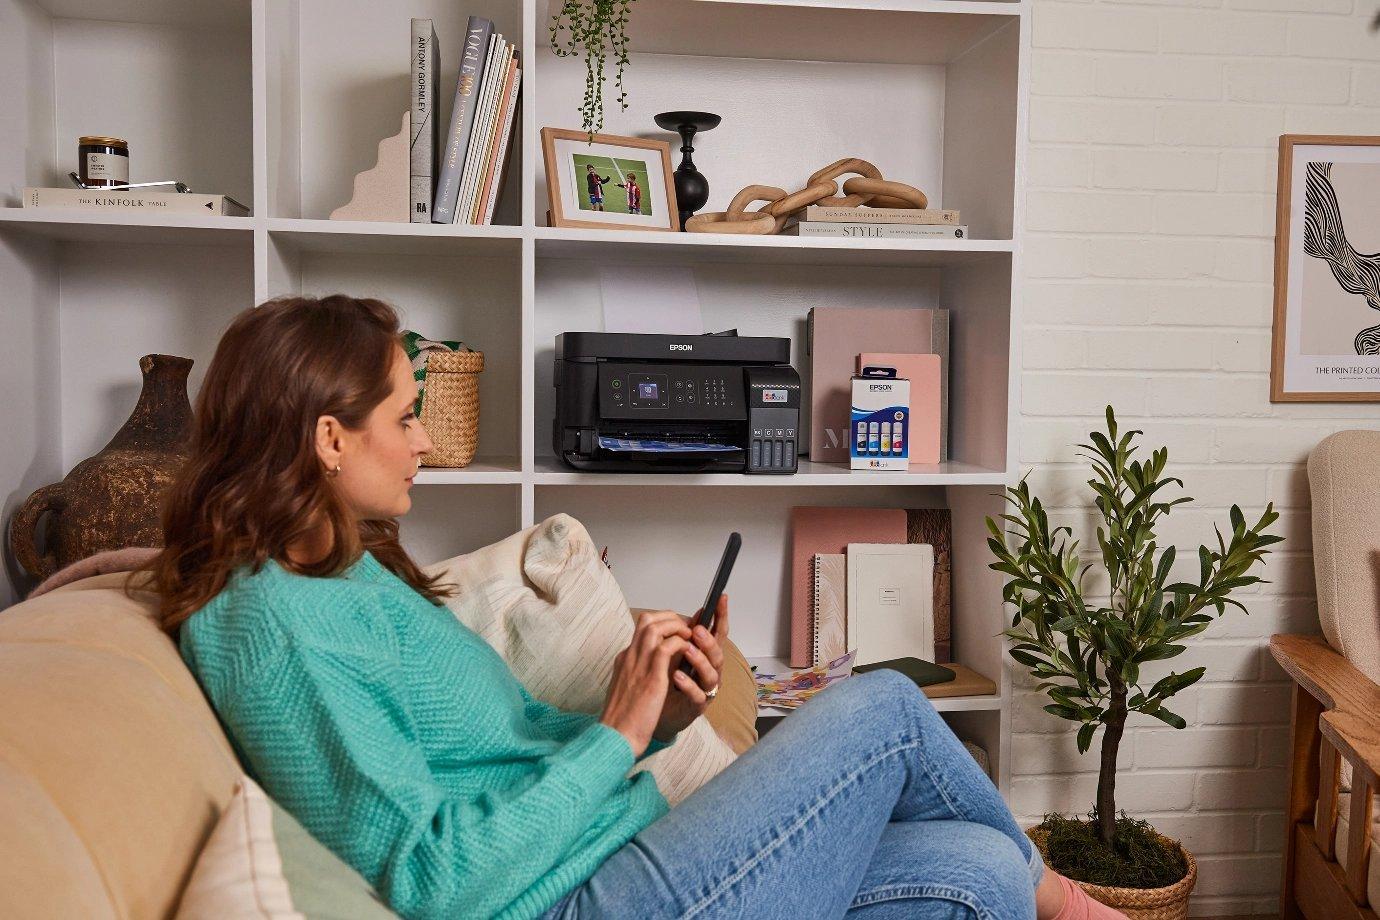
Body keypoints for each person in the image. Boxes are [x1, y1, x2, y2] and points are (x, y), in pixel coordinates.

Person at [150, 294, 1126, 920]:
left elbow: (501, 761)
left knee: (979, 870)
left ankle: (1042, 890)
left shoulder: (340, 568)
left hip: (613, 843)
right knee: (883, 711)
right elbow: (435, 882)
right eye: (405, 417)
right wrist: (618, 732)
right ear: (328, 437)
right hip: (577, 899)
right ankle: (1080, 903)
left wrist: (654, 716)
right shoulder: (268, 625)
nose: (422, 441)